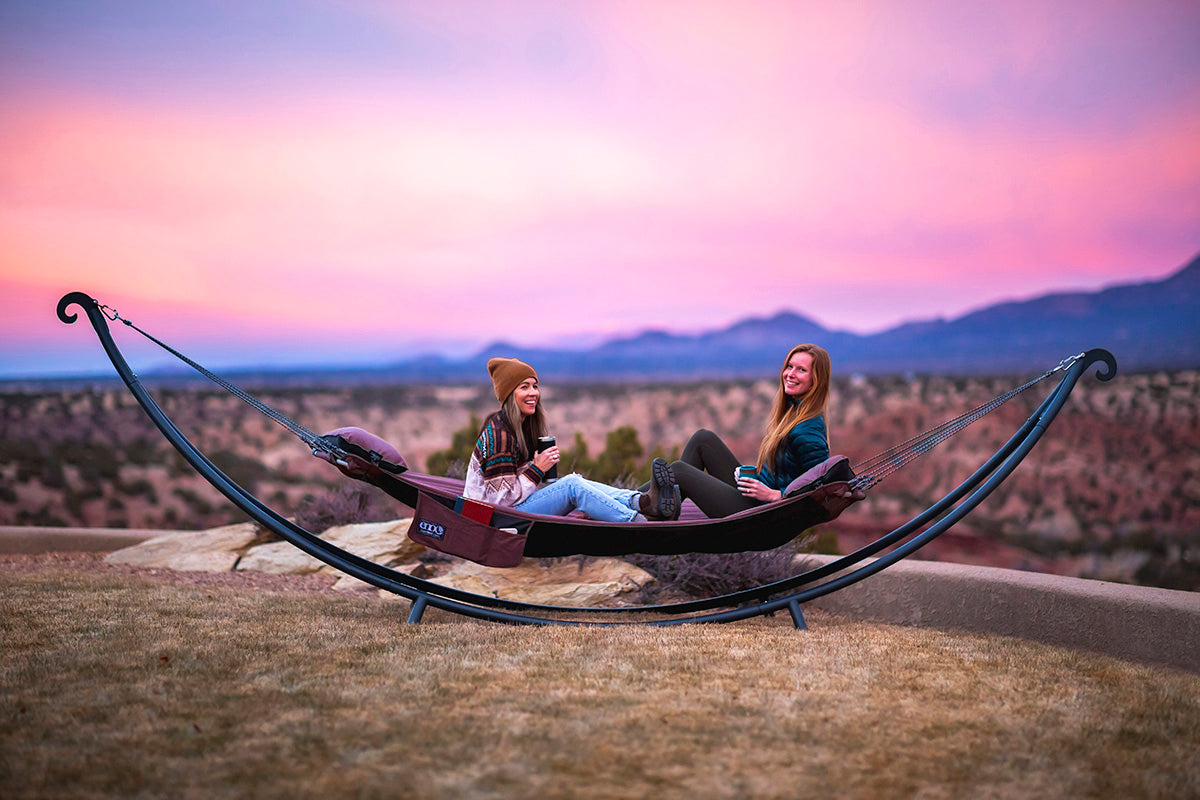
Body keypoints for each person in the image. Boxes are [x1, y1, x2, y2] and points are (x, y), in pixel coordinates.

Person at [466, 356, 681, 522]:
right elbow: (500, 501)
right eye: (524, 387)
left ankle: (642, 501)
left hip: (509, 512)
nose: (533, 393)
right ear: (508, 394)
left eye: (534, 386)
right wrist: (537, 469)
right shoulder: (499, 435)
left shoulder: (516, 428)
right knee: (571, 486)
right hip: (495, 521)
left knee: (573, 482)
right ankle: (637, 523)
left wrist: (536, 466)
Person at [647, 343, 831, 518]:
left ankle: (633, 502)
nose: (790, 374)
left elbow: (819, 489)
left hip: (762, 514)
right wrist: (754, 478)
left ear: (816, 380)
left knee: (680, 471)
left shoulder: (808, 430)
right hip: (756, 500)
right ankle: (645, 502)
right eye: (789, 366)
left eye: (801, 370)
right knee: (703, 439)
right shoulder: (794, 412)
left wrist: (775, 495)